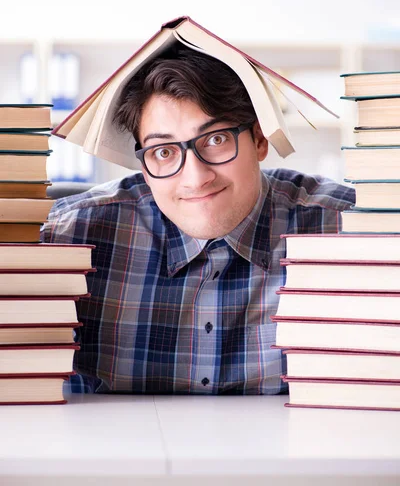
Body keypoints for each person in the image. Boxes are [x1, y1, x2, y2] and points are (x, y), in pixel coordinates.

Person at [42, 44, 355, 395]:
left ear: (259, 139)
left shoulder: (348, 231)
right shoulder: (71, 235)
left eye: (216, 140)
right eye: (163, 152)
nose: (196, 178)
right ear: (144, 167)